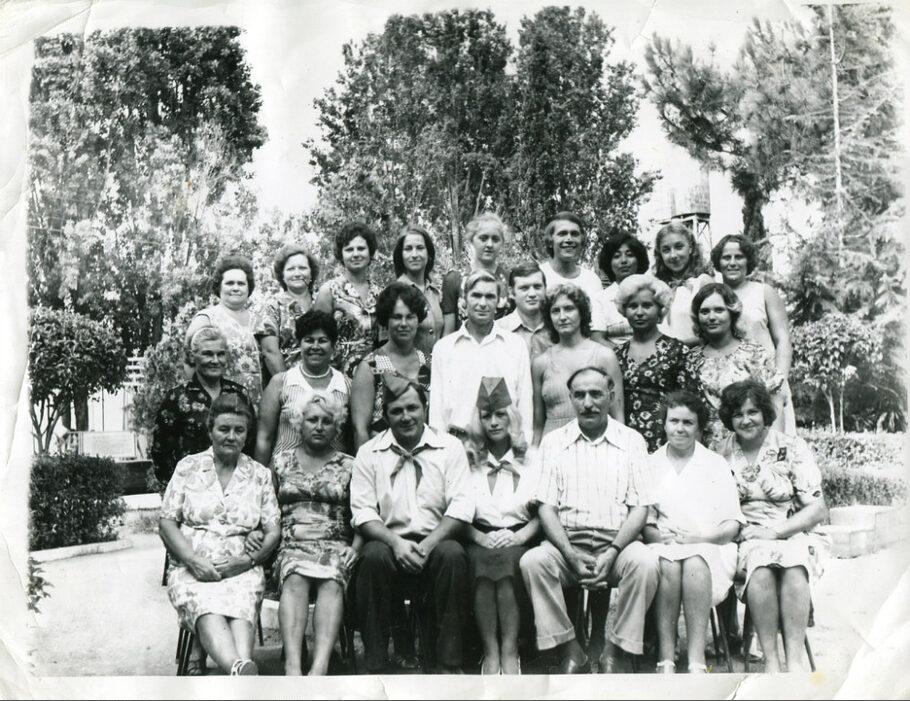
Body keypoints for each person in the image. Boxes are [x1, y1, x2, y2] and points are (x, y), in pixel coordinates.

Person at [520, 367, 659, 674]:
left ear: (611, 396)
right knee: (534, 562)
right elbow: (546, 508)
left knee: (646, 564)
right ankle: (572, 650)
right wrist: (569, 554)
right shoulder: (554, 443)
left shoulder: (631, 441)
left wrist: (613, 550)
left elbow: (640, 508)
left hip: (618, 544)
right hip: (568, 542)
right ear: (570, 398)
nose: (588, 403)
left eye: (596, 394)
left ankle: (615, 651)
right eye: (580, 395)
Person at [350, 375, 474, 673]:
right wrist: (396, 543)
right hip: (391, 545)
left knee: (453, 555)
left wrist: (429, 544)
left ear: (425, 408)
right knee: (372, 557)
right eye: (396, 411)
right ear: (386, 415)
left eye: (412, 408)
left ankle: (447, 663)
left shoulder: (449, 447)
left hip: (436, 541)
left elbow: (461, 505)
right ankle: (376, 665)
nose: (406, 417)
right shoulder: (370, 452)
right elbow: (363, 511)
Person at [159, 392, 281, 676]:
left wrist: (248, 560)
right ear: (210, 430)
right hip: (193, 566)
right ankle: (240, 669)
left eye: (239, 430)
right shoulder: (188, 467)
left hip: (241, 567)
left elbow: (273, 529)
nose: (231, 436)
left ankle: (238, 668)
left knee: (242, 601)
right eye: (224, 429)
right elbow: (166, 523)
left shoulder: (259, 475)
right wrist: (193, 561)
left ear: (247, 434)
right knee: (205, 604)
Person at [716, 380, 829, 673]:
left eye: (752, 412)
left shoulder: (791, 447)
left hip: (793, 530)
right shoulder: (720, 453)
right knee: (761, 567)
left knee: (794, 566)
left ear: (765, 412)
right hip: (746, 536)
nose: (746, 420)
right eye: (738, 414)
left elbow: (817, 508)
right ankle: (772, 662)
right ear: (729, 417)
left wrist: (776, 532)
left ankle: (794, 661)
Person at [642, 391, 744, 674]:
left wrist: (700, 538)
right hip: (665, 545)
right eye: (674, 421)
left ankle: (696, 659)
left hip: (711, 546)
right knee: (668, 563)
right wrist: (661, 537)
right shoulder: (650, 464)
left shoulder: (715, 464)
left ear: (699, 427)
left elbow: (732, 524)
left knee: (695, 562)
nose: (680, 428)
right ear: (664, 424)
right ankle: (666, 657)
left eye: (688, 422)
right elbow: (646, 522)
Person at [269, 395, 360, 676]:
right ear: (300, 424)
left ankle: (319, 668)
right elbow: (267, 510)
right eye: (312, 420)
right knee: (295, 578)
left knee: (332, 580)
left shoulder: (350, 465)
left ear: (336, 427)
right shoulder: (280, 462)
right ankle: (293, 667)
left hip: (334, 545)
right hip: (291, 545)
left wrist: (356, 546)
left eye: (327, 421)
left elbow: (364, 512)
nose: (319, 426)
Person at [463, 377, 540, 675]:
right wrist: (478, 537)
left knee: (508, 564)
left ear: (512, 417)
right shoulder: (467, 459)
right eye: (486, 416)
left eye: (500, 414)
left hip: (521, 535)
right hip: (477, 535)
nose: (494, 422)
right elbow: (455, 509)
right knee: (482, 564)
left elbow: (544, 510)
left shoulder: (531, 458)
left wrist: (519, 536)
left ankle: (510, 650)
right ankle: (490, 651)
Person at [430, 270, 533, 442]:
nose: (483, 303)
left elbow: (525, 408)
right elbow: (436, 414)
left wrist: (523, 447)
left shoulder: (515, 345)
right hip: (457, 445)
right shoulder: (444, 348)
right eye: (476, 296)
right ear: (464, 300)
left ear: (498, 301)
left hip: (503, 446)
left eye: (490, 296)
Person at [711, 234, 796, 433]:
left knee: (772, 443)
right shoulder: (712, 295)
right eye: (726, 257)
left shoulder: (763, 292)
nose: (733, 262)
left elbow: (783, 339)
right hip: (725, 384)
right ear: (718, 262)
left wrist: (780, 382)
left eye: (739, 257)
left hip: (765, 383)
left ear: (748, 260)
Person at [151, 327, 254, 486]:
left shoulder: (239, 394)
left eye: (220, 354)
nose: (215, 360)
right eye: (208, 354)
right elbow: (160, 450)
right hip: (192, 488)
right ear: (193, 356)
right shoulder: (177, 398)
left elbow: (251, 442)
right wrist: (178, 487)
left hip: (235, 487)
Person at [687, 283, 784, 448]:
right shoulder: (691, 359)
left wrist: (776, 448)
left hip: (750, 444)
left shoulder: (753, 353)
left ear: (732, 313)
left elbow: (775, 400)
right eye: (705, 311)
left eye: (719, 310)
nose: (711, 317)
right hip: (706, 448)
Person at [613, 274, 700, 453]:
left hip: (668, 439)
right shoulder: (617, 354)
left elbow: (692, 403)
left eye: (647, 305)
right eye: (632, 306)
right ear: (624, 310)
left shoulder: (677, 350)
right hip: (627, 441)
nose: (639, 312)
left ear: (660, 309)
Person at [255, 311, 351, 467]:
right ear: (300, 344)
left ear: (333, 346)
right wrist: (261, 476)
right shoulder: (280, 382)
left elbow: (355, 433)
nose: (315, 346)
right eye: (309, 340)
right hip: (285, 473)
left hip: (334, 475)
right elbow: (264, 438)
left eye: (322, 341)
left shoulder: (345, 385)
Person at [532, 283, 623, 444]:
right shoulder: (541, 363)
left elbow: (618, 417)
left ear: (582, 312)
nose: (562, 317)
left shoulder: (604, 356)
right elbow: (538, 424)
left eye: (569, 309)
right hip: (554, 446)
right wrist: (534, 453)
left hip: (596, 444)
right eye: (555, 311)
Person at [351, 282, 431, 451]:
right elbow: (360, 431)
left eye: (410, 317)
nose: (404, 323)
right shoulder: (370, 366)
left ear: (418, 320)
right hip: (382, 457)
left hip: (424, 455)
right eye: (396, 317)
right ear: (386, 320)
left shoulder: (427, 362)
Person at [184, 255, 263, 407]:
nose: (236, 288)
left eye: (241, 283)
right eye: (229, 283)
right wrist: (201, 400)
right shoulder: (207, 318)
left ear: (249, 287)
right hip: (219, 404)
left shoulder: (260, 321)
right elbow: (189, 361)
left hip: (257, 402)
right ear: (219, 287)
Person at [314, 222, 383, 376]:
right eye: (349, 249)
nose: (356, 254)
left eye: (361, 248)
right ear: (341, 255)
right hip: (337, 373)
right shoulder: (329, 290)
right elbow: (316, 339)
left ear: (370, 252)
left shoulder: (381, 293)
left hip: (375, 372)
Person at [538, 212, 607, 343]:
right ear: (550, 241)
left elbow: (597, 329)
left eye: (574, 234)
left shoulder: (592, 280)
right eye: (562, 234)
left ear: (581, 241)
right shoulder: (538, 275)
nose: (569, 239)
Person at [441, 212, 512, 335]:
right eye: (483, 238)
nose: (489, 244)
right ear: (471, 240)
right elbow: (448, 333)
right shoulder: (454, 280)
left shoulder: (510, 279)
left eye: (495, 239)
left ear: (502, 242)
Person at [256, 244, 320, 375]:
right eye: (291, 269)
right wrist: (288, 384)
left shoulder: (323, 302)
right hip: (290, 379)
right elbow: (270, 352)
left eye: (302, 268)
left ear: (311, 273)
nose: (297, 273)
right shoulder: (273, 306)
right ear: (282, 276)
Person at [652, 221, 714, 346]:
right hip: (660, 356)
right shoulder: (657, 286)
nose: (673, 255)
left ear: (690, 248)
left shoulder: (702, 282)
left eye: (679, 247)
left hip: (695, 354)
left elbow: (713, 333)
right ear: (660, 254)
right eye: (666, 250)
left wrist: (676, 347)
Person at [392, 225, 444, 355]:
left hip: (438, 367)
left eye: (420, 248)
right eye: (408, 249)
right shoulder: (392, 294)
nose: (414, 254)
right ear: (400, 255)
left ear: (429, 253)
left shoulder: (436, 294)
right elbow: (385, 349)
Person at [597, 233, 650, 348]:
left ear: (639, 259)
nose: (624, 261)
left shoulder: (653, 293)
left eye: (630, 255)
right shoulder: (600, 299)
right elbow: (597, 339)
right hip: (614, 356)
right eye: (616, 256)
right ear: (609, 262)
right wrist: (626, 356)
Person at [497, 262, 553, 363]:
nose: (532, 294)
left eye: (537, 287)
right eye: (524, 288)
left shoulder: (557, 327)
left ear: (545, 289)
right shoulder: (498, 331)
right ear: (511, 293)